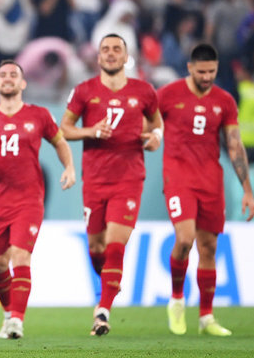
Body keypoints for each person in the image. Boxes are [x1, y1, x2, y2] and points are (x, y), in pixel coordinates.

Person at [0, 59, 76, 339]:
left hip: (29, 200)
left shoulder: (39, 115)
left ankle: (16, 320)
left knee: (20, 255)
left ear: (23, 83)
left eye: (14, 74)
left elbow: (60, 142)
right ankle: (9, 312)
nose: (8, 78)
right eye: (3, 74)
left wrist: (70, 167)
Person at [60, 33, 162, 336]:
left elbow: (157, 124)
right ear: (99, 57)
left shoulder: (144, 91)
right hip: (94, 180)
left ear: (126, 57)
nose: (111, 53)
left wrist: (155, 137)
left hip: (129, 178)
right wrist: (91, 131)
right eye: (105, 49)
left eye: (117, 49)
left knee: (116, 244)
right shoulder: (84, 90)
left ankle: (102, 311)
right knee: (97, 248)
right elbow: (65, 128)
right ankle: (110, 283)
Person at [158, 43, 254, 337]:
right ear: (190, 68)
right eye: (201, 71)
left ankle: (206, 317)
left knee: (209, 248)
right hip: (178, 178)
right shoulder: (169, 94)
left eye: (211, 71)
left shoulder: (224, 101)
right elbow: (148, 121)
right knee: (184, 239)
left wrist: (247, 190)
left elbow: (234, 145)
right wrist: (150, 135)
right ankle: (177, 299)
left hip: (211, 181)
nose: (206, 77)